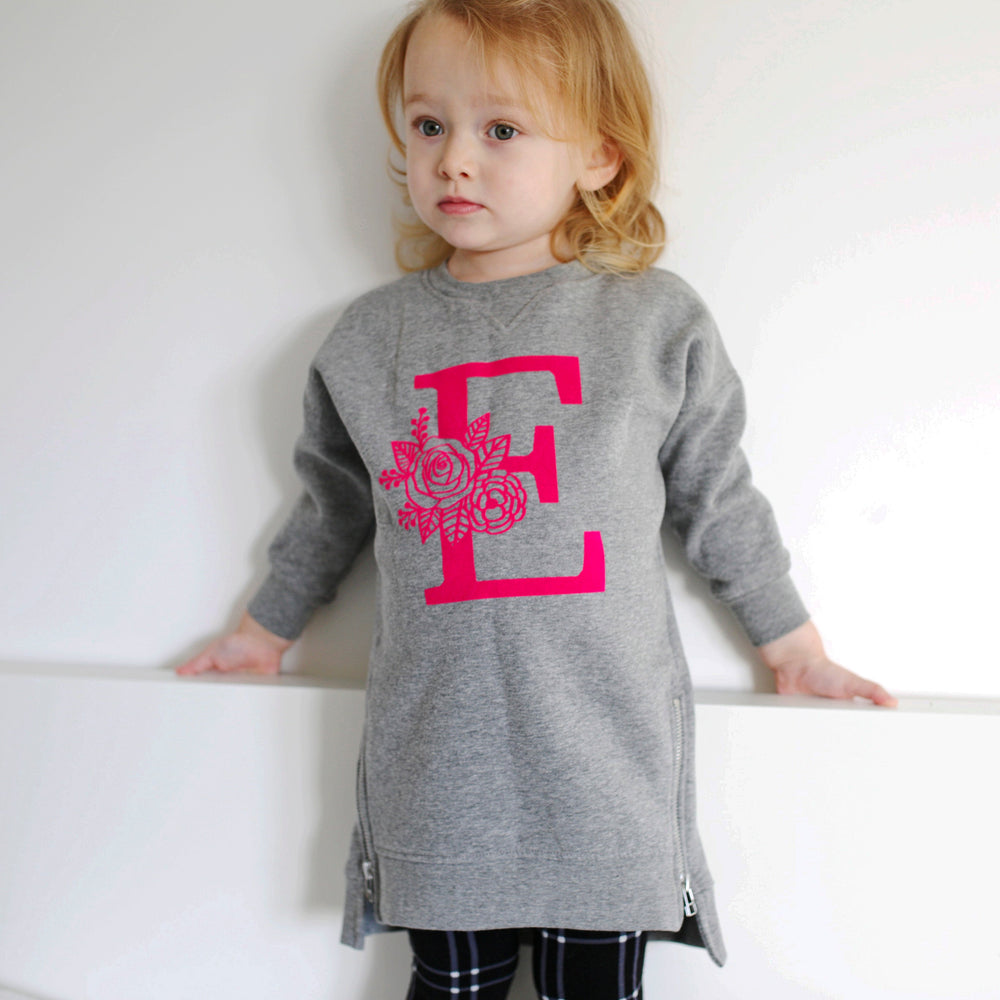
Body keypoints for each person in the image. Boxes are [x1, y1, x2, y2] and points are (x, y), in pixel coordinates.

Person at [177, 1, 897, 996]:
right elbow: (333, 508)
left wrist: (795, 648)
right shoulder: (369, 342)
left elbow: (717, 497)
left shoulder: (652, 324)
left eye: (502, 129)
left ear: (599, 156)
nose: (454, 160)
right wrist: (263, 630)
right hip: (439, 769)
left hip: (605, 766)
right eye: (429, 125)